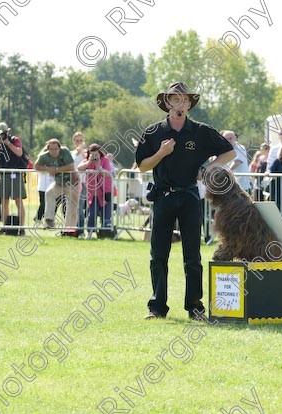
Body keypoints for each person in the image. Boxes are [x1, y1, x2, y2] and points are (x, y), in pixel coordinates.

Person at [135, 82, 235, 320]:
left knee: (193, 255)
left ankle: (194, 306)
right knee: (158, 254)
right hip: (163, 195)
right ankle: (157, 307)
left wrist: (209, 166)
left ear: (190, 104)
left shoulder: (201, 131)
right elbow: (142, 165)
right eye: (175, 99)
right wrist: (161, 153)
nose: (180, 103)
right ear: (167, 103)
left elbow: (229, 151)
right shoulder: (153, 132)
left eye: (184, 100)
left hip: (190, 194)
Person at [0, 122, 27, 234]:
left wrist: (8, 143)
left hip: (15, 174)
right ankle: (5, 227)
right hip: (3, 175)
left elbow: (19, 152)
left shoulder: (15, 140)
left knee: (18, 202)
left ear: (8, 132)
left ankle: (22, 228)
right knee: (4, 201)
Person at [34, 138, 81, 235]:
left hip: (72, 182)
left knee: (72, 207)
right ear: (48, 149)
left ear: (59, 148)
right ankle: (49, 220)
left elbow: (71, 166)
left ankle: (70, 230)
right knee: (49, 193)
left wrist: (56, 169)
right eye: (51, 149)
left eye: (56, 149)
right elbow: (36, 166)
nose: (54, 151)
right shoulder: (45, 156)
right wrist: (47, 168)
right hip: (59, 183)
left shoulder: (65, 152)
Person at [78, 144, 114, 239]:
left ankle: (104, 233)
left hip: (104, 191)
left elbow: (105, 174)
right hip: (92, 193)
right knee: (92, 214)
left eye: (96, 155)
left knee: (105, 214)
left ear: (100, 154)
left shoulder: (105, 161)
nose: (94, 157)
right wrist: (89, 162)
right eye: (92, 154)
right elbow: (79, 168)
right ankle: (89, 233)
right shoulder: (87, 161)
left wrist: (98, 166)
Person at [72, 132, 88, 234]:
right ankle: (71, 229)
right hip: (71, 183)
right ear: (73, 142)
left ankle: (81, 230)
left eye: (80, 140)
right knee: (70, 207)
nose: (78, 142)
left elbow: (87, 161)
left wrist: (82, 152)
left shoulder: (86, 153)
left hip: (82, 183)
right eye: (77, 140)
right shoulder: (71, 153)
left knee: (79, 207)